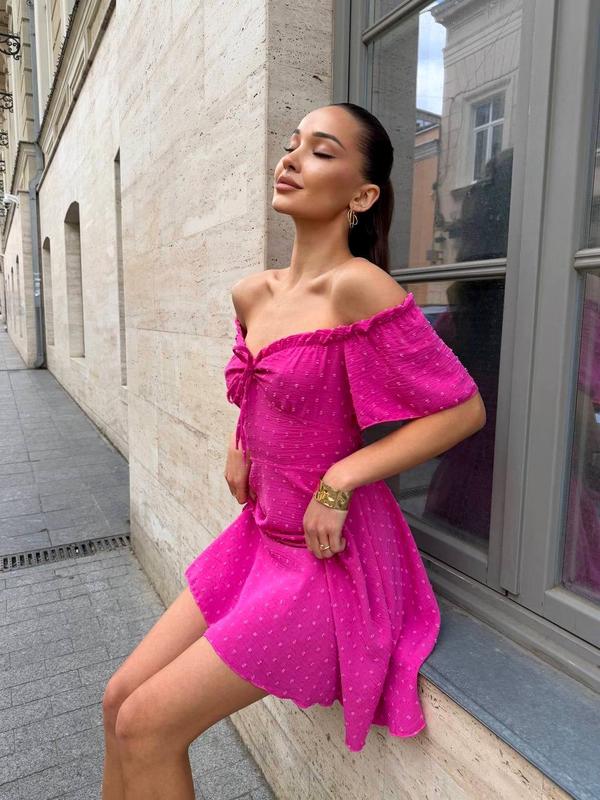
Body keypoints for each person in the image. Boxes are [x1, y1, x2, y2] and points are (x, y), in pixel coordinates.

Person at [101, 102, 486, 799]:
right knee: (117, 701)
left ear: (362, 196)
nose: (291, 159)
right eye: (292, 144)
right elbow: (265, 389)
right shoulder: (253, 293)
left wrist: (342, 477)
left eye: (321, 151)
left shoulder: (357, 287)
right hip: (259, 538)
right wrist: (239, 440)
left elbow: (462, 408)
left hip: (326, 562)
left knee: (147, 726)